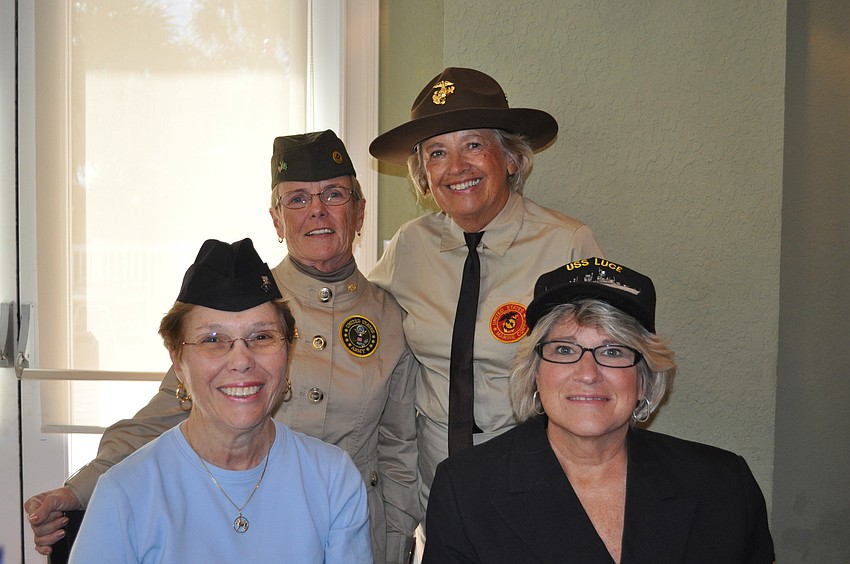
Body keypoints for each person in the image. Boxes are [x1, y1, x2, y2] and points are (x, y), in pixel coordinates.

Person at [25, 131, 419, 564]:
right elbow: (158, 418)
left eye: (334, 194)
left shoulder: (391, 318)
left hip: (347, 533)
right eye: (297, 199)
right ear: (276, 219)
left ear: (359, 211)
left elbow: (400, 453)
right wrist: (79, 489)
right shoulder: (241, 305)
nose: (317, 211)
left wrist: (393, 550)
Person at [422, 257, 776, 563]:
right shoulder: (466, 491)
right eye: (563, 350)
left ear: (644, 377)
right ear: (534, 373)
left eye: (613, 352)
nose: (588, 374)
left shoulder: (724, 485)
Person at [368, 67, 604, 512]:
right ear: (423, 174)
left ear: (511, 158)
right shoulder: (409, 246)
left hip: (536, 477)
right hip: (433, 481)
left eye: (473, 145)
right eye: (437, 153)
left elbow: (601, 372)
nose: (456, 168)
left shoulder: (566, 244)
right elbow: (361, 318)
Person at [69, 238, 372, 562]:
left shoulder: (332, 479)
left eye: (262, 337)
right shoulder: (125, 493)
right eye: (213, 340)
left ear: (288, 351)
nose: (241, 360)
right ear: (178, 362)